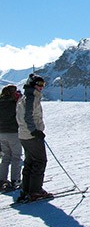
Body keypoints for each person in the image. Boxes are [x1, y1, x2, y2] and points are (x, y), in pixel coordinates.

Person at [16, 74, 52, 202]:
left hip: (24, 135)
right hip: (31, 136)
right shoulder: (31, 97)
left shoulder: (26, 96)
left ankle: (27, 189)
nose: (41, 87)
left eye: (43, 84)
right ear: (32, 84)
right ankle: (35, 191)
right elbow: (28, 116)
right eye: (39, 84)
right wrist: (35, 131)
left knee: (30, 162)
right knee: (40, 161)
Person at [0, 85, 22, 192]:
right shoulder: (14, 103)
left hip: (1, 133)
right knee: (16, 157)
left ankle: (2, 180)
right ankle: (15, 180)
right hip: (13, 132)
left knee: (5, 157)